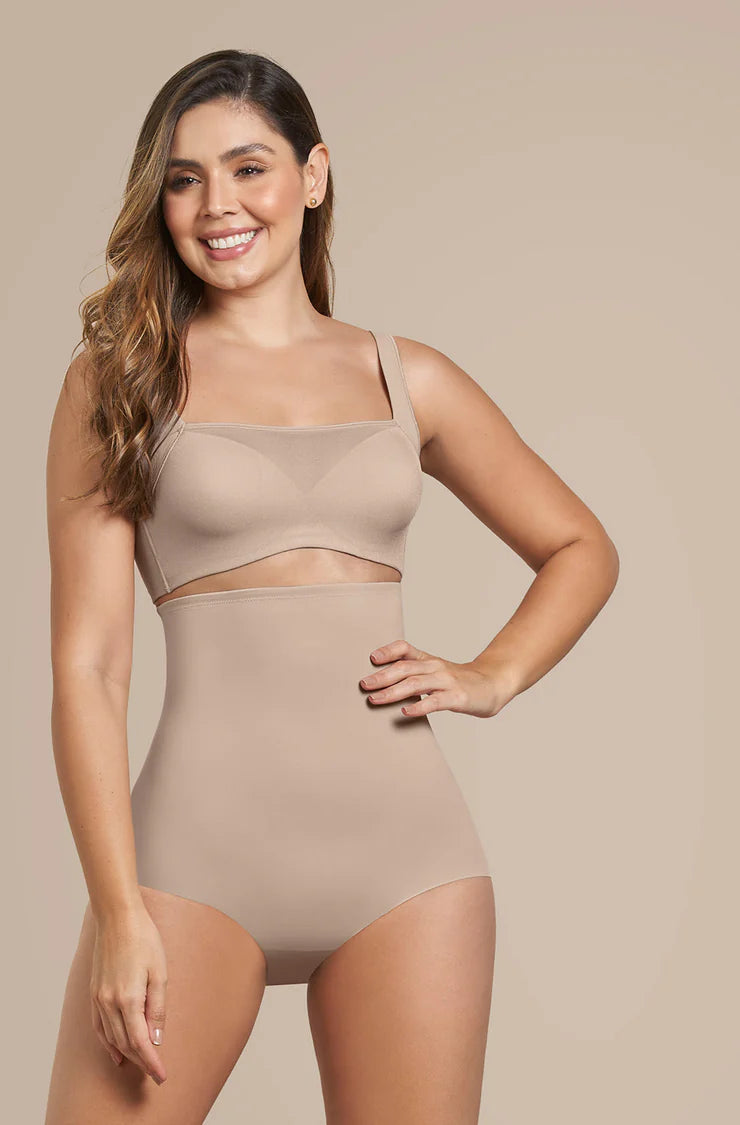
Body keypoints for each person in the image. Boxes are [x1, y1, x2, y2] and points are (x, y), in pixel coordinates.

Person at [43, 48, 619, 1125]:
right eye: (184, 179)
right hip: (192, 860)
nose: (217, 205)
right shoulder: (120, 381)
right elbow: (90, 667)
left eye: (249, 168)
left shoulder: (408, 377)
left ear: (312, 176)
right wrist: (117, 910)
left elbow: (580, 546)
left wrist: (492, 675)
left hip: (408, 866)